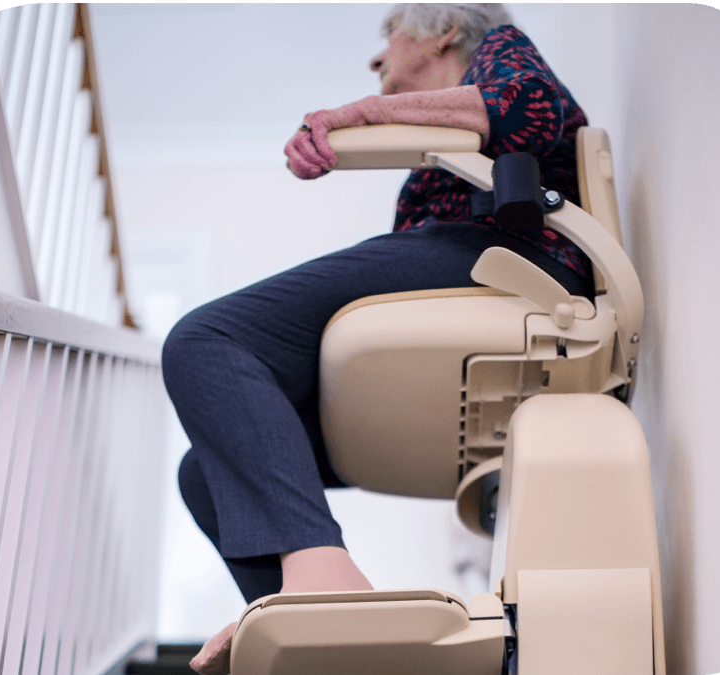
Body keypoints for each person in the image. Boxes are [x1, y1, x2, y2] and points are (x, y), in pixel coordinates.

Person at [161, 4, 592, 673]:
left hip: (503, 254)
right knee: (203, 474)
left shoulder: (501, 49)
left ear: (444, 30)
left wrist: (356, 115)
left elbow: (531, 108)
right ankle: (322, 638)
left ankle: (324, 581)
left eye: (386, 43)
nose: (378, 64)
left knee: (206, 340)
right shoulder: (439, 135)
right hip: (463, 264)